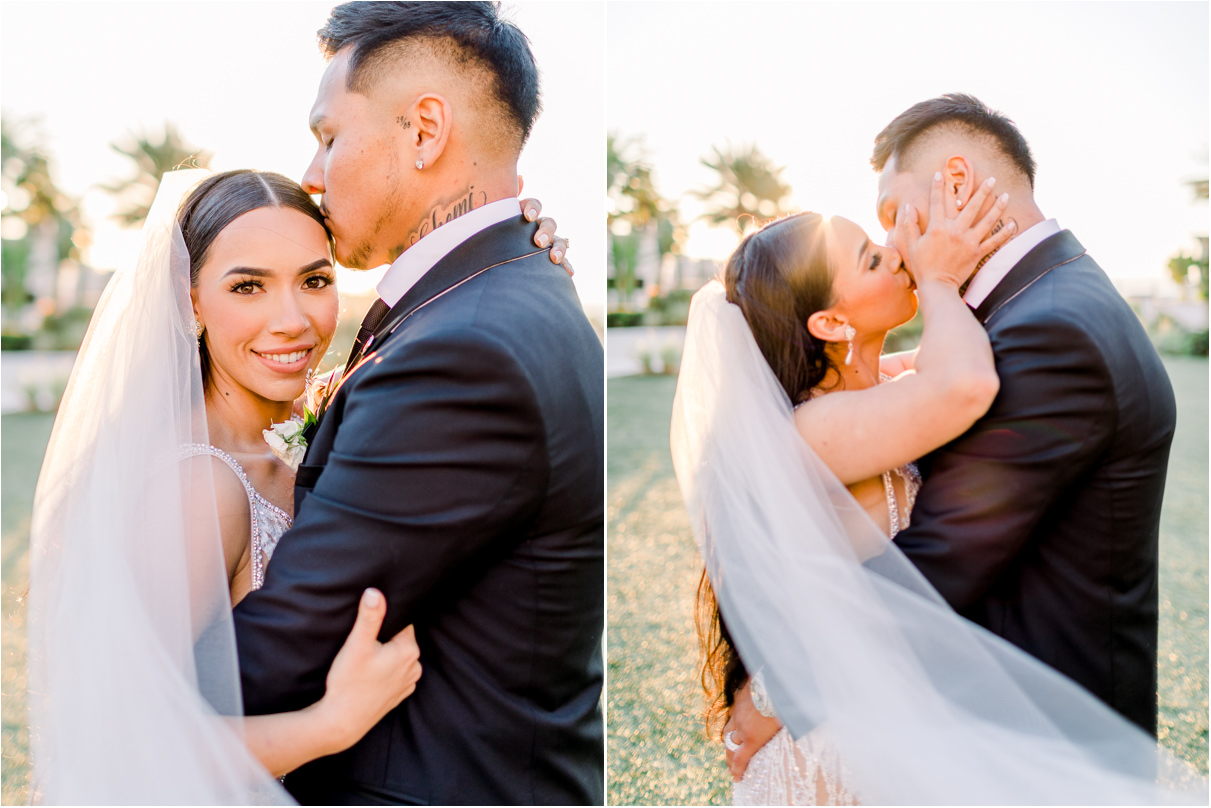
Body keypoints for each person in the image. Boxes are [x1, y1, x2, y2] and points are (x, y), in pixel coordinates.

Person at [26, 165, 567, 803]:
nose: (292, 320)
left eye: (314, 280)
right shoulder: (200, 489)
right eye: (248, 286)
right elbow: (126, 734)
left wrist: (511, 256)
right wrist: (327, 726)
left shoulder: (315, 436)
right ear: (188, 297)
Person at [671, 179, 1206, 800]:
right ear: (831, 321)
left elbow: (935, 363)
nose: (896, 254)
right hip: (839, 748)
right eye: (873, 258)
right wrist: (941, 280)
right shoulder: (816, 429)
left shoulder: (867, 394)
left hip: (884, 712)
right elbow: (963, 383)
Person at [230, 3, 605, 804]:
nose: (312, 171)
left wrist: (114, 686)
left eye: (329, 135)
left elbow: (289, 642)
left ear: (425, 130)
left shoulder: (464, 350)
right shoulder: (508, 294)